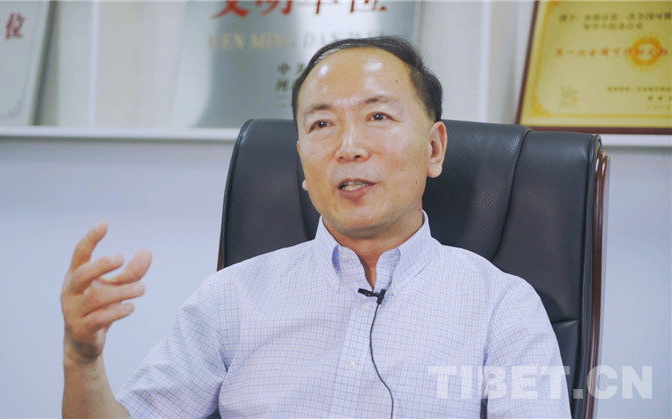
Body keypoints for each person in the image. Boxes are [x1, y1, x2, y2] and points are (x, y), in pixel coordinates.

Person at [61, 36, 570, 418]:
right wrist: (82, 360)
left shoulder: (502, 308)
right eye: (322, 124)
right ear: (303, 161)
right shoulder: (230, 300)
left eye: (378, 116)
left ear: (434, 148)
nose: (349, 147)